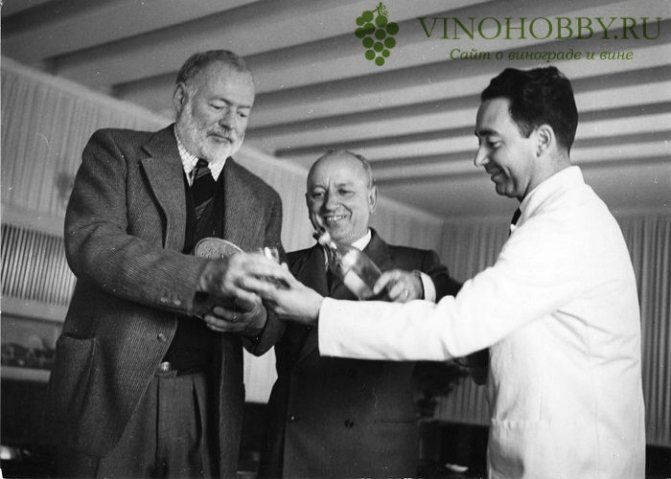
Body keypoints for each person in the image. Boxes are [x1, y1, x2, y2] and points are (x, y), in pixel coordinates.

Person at [248, 67, 646, 478]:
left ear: (542, 140)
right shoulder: (561, 218)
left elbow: (457, 328)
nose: (479, 158)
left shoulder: (563, 226)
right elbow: (498, 337)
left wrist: (320, 311)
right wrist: (424, 292)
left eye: (492, 142)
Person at [48, 50, 285, 479]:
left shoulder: (264, 200)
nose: (230, 124)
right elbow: (92, 244)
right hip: (110, 390)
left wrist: (255, 319)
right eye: (219, 105)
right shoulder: (115, 151)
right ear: (181, 98)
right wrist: (205, 276)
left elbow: (273, 319)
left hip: (205, 403)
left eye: (243, 113)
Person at [257, 150, 461, 478]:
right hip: (292, 451)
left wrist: (418, 285)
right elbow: (259, 338)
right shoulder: (284, 266)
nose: (330, 204)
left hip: (375, 452)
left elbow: (463, 309)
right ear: (307, 203)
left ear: (372, 198)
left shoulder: (417, 263)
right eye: (318, 194)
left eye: (344, 191)